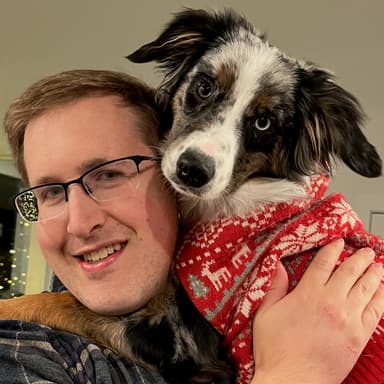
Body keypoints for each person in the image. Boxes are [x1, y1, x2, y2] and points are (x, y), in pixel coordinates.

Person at [1, 69, 383, 384]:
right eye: (50, 191)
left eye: (110, 175)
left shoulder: (246, 257)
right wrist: (295, 373)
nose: (80, 223)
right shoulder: (22, 357)